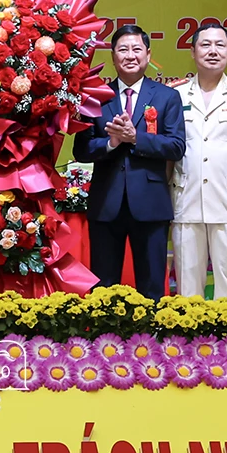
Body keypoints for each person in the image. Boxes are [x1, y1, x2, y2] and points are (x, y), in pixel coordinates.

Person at [73, 24, 185, 295]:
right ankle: (107, 324)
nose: (130, 55)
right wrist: (111, 143)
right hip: (106, 203)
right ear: (113, 56)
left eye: (137, 49)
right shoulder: (96, 97)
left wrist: (136, 138)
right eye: (123, 50)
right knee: (104, 286)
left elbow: (176, 146)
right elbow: (82, 149)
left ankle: (152, 324)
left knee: (152, 285)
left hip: (150, 204)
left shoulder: (167, 97)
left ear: (148, 55)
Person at [167, 22, 227, 298]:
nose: (213, 51)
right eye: (205, 44)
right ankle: (188, 327)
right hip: (186, 198)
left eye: (220, 45)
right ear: (193, 52)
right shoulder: (175, 94)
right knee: (187, 285)